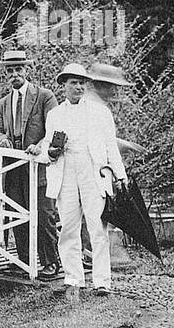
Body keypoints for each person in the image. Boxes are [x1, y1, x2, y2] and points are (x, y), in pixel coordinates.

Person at [32, 63, 126, 301]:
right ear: (63, 86)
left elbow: (110, 146)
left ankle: (102, 281)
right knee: (69, 227)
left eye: (82, 82)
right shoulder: (55, 115)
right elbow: (47, 147)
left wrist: (120, 175)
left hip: (93, 172)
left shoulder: (100, 113)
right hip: (66, 172)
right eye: (73, 82)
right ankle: (73, 278)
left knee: (98, 227)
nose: (79, 87)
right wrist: (50, 152)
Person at [0, 48, 59, 278]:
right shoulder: (2, 103)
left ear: (27, 70)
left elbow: (54, 128)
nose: (14, 74)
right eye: (10, 70)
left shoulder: (44, 96)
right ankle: (24, 260)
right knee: (17, 212)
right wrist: (2, 139)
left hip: (38, 166)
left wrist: (40, 145)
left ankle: (51, 261)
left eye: (18, 69)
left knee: (44, 213)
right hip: (14, 167)